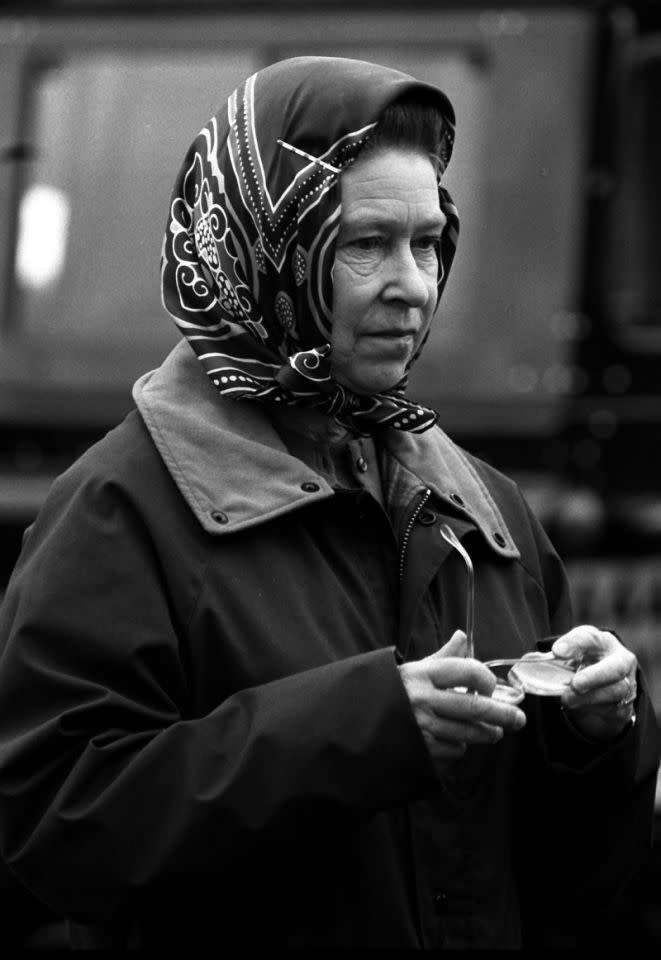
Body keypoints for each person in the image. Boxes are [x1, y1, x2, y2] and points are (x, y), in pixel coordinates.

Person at [0, 56, 658, 950]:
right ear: (259, 247)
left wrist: (595, 738)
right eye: (363, 245)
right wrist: (367, 727)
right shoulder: (119, 509)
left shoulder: (486, 512)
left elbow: (573, 889)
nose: (413, 285)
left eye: (426, 242)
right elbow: (55, 828)